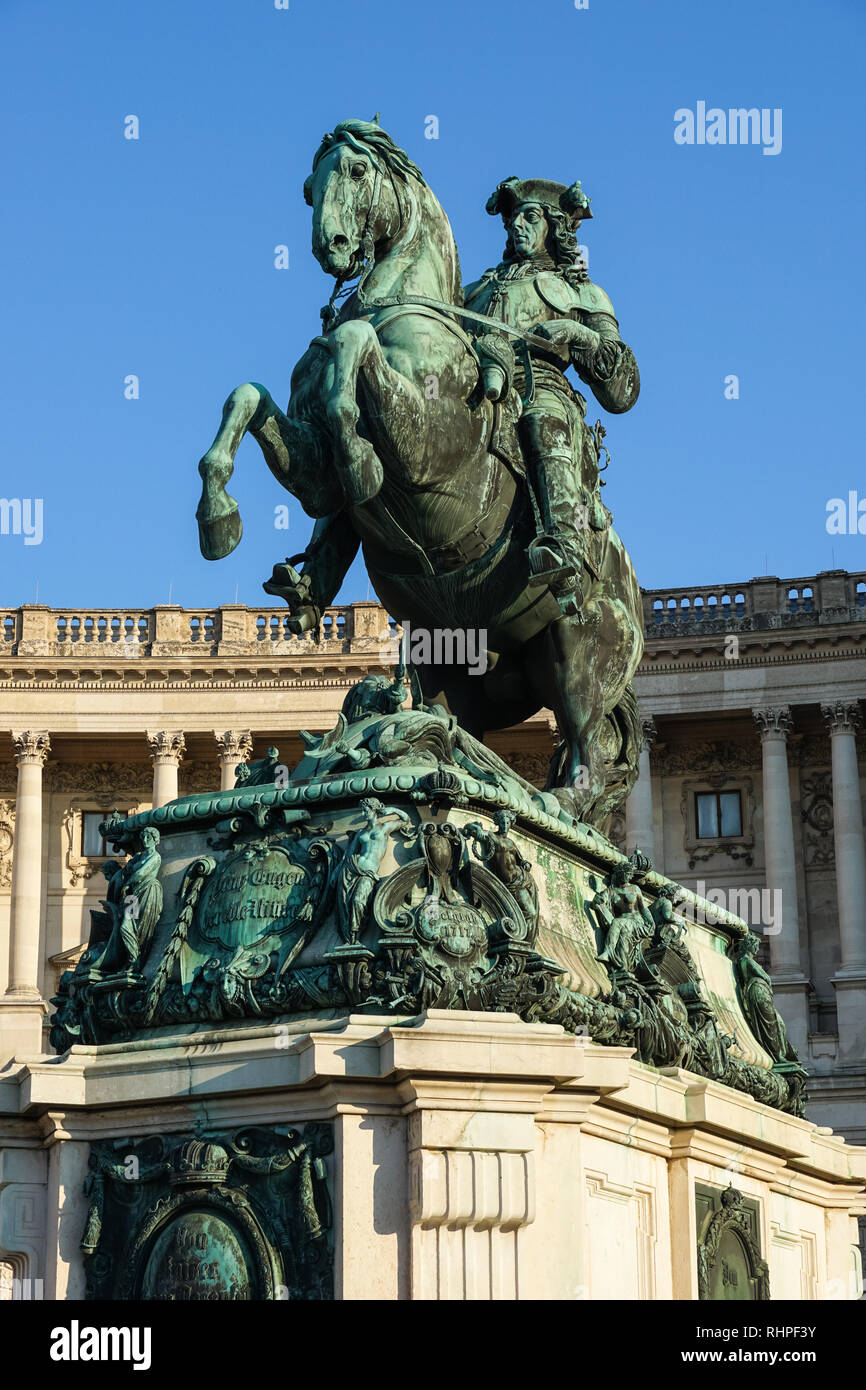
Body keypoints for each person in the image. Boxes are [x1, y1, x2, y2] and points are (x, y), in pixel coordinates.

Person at [464, 176, 639, 612]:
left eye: (530, 217)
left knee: (544, 419)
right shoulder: (472, 292)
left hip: (540, 384)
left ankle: (563, 544)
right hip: (472, 386)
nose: (516, 226)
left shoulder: (582, 292)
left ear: (554, 226)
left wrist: (576, 332)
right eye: (512, 219)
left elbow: (623, 390)